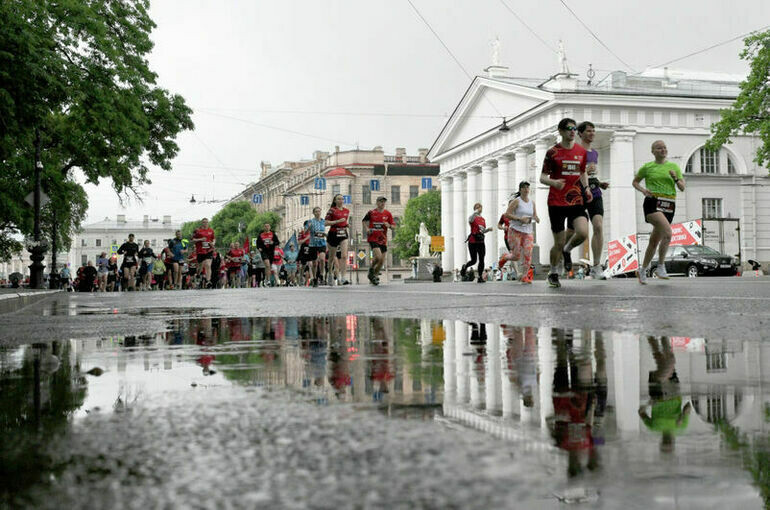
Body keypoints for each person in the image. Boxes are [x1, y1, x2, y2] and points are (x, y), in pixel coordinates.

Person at [540, 117, 592, 288]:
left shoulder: (581, 151)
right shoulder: (552, 152)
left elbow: (582, 172)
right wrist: (553, 183)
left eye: (574, 129)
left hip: (576, 198)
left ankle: (567, 250)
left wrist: (587, 188)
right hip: (556, 202)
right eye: (569, 128)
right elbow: (542, 177)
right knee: (558, 242)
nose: (572, 131)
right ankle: (553, 272)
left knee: (583, 233)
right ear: (561, 131)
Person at [632, 140, 686, 284]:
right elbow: (635, 182)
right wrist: (643, 190)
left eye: (664, 148)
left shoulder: (674, 166)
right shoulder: (647, 167)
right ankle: (660, 266)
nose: (662, 150)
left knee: (654, 241)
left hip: (669, 204)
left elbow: (682, 187)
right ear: (653, 151)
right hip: (653, 202)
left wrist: (675, 178)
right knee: (668, 233)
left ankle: (642, 269)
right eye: (659, 148)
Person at [564, 121, 609, 279]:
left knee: (598, 226)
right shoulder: (574, 151)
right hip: (578, 194)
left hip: (595, 192)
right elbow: (569, 174)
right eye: (588, 131)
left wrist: (599, 182)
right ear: (580, 134)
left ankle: (596, 266)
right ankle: (566, 249)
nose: (592, 133)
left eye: (593, 131)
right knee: (573, 231)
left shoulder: (594, 153)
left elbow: (591, 174)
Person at [499, 182, 539, 284]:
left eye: (528, 188)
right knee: (516, 256)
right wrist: (520, 219)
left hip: (528, 232)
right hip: (515, 231)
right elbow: (507, 214)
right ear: (520, 189)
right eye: (524, 188)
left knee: (528, 254)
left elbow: (534, 215)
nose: (526, 190)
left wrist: (536, 218)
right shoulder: (516, 202)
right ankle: (505, 257)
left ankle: (525, 276)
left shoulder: (532, 203)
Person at [362, 196, 396, 286]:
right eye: (381, 202)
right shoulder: (371, 212)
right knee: (379, 257)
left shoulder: (387, 214)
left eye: (384, 202)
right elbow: (364, 221)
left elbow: (393, 226)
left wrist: (388, 225)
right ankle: (372, 271)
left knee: (381, 261)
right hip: (373, 238)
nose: (382, 204)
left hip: (383, 239)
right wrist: (367, 229)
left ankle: (374, 276)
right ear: (377, 202)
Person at [460, 203, 493, 283]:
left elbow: (483, 230)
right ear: (475, 208)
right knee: (474, 260)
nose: (479, 209)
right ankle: (465, 267)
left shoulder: (483, 219)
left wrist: (488, 229)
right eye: (477, 207)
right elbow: (470, 220)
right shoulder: (472, 217)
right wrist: (475, 212)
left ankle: (480, 276)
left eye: (480, 207)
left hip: (481, 241)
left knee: (482, 259)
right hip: (473, 241)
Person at [325, 194, 351, 286]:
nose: (341, 200)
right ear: (335, 201)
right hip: (333, 234)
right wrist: (337, 222)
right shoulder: (332, 210)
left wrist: (346, 225)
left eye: (342, 199)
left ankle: (343, 277)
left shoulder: (346, 211)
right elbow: (326, 223)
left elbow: (344, 222)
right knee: (331, 258)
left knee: (344, 256)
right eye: (338, 199)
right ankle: (330, 274)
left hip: (343, 233)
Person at [192, 218, 216, 288]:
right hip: (200, 251)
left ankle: (208, 281)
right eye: (204, 222)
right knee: (200, 267)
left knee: (208, 265)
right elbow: (193, 240)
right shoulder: (198, 231)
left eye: (206, 222)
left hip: (209, 250)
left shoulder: (211, 231)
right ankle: (198, 275)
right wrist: (200, 239)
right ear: (202, 223)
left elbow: (214, 239)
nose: (205, 223)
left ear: (208, 223)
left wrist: (213, 243)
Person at [308, 207, 327, 287]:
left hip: (322, 243)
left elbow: (325, 230)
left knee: (322, 259)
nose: (318, 213)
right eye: (316, 211)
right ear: (313, 213)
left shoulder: (323, 221)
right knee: (315, 263)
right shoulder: (311, 221)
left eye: (319, 211)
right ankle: (315, 278)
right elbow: (306, 231)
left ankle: (322, 274)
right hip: (313, 244)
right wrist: (309, 227)